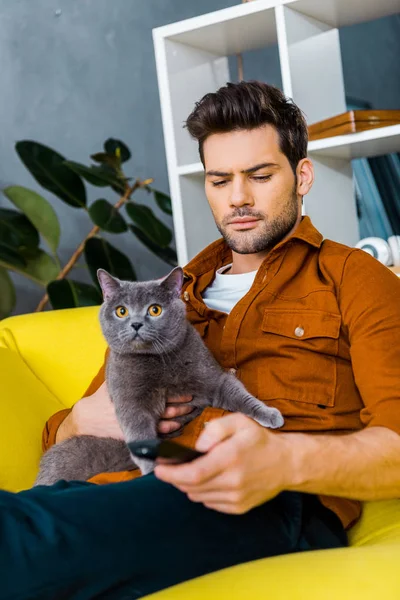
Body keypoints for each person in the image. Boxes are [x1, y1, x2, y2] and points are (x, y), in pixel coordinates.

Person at [2, 81, 400, 600]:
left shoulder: (354, 277)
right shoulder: (166, 293)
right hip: (112, 495)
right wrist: (78, 420)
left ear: (302, 176)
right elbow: (72, 432)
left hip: (265, 504)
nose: (238, 197)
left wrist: (283, 461)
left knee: (20, 537)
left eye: (259, 175)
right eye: (219, 180)